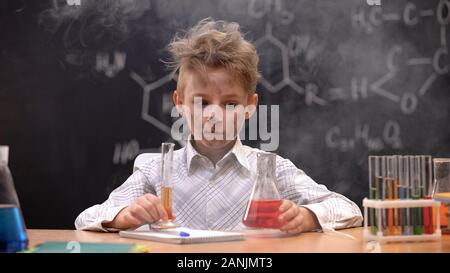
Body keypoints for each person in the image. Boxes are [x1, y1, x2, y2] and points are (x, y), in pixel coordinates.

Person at [75, 18, 362, 233]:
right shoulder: (155, 170)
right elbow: (86, 219)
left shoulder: (270, 169)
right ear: (179, 103)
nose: (215, 114)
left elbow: (348, 209)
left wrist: (308, 216)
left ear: (250, 107)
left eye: (231, 104)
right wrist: (122, 216)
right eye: (201, 102)